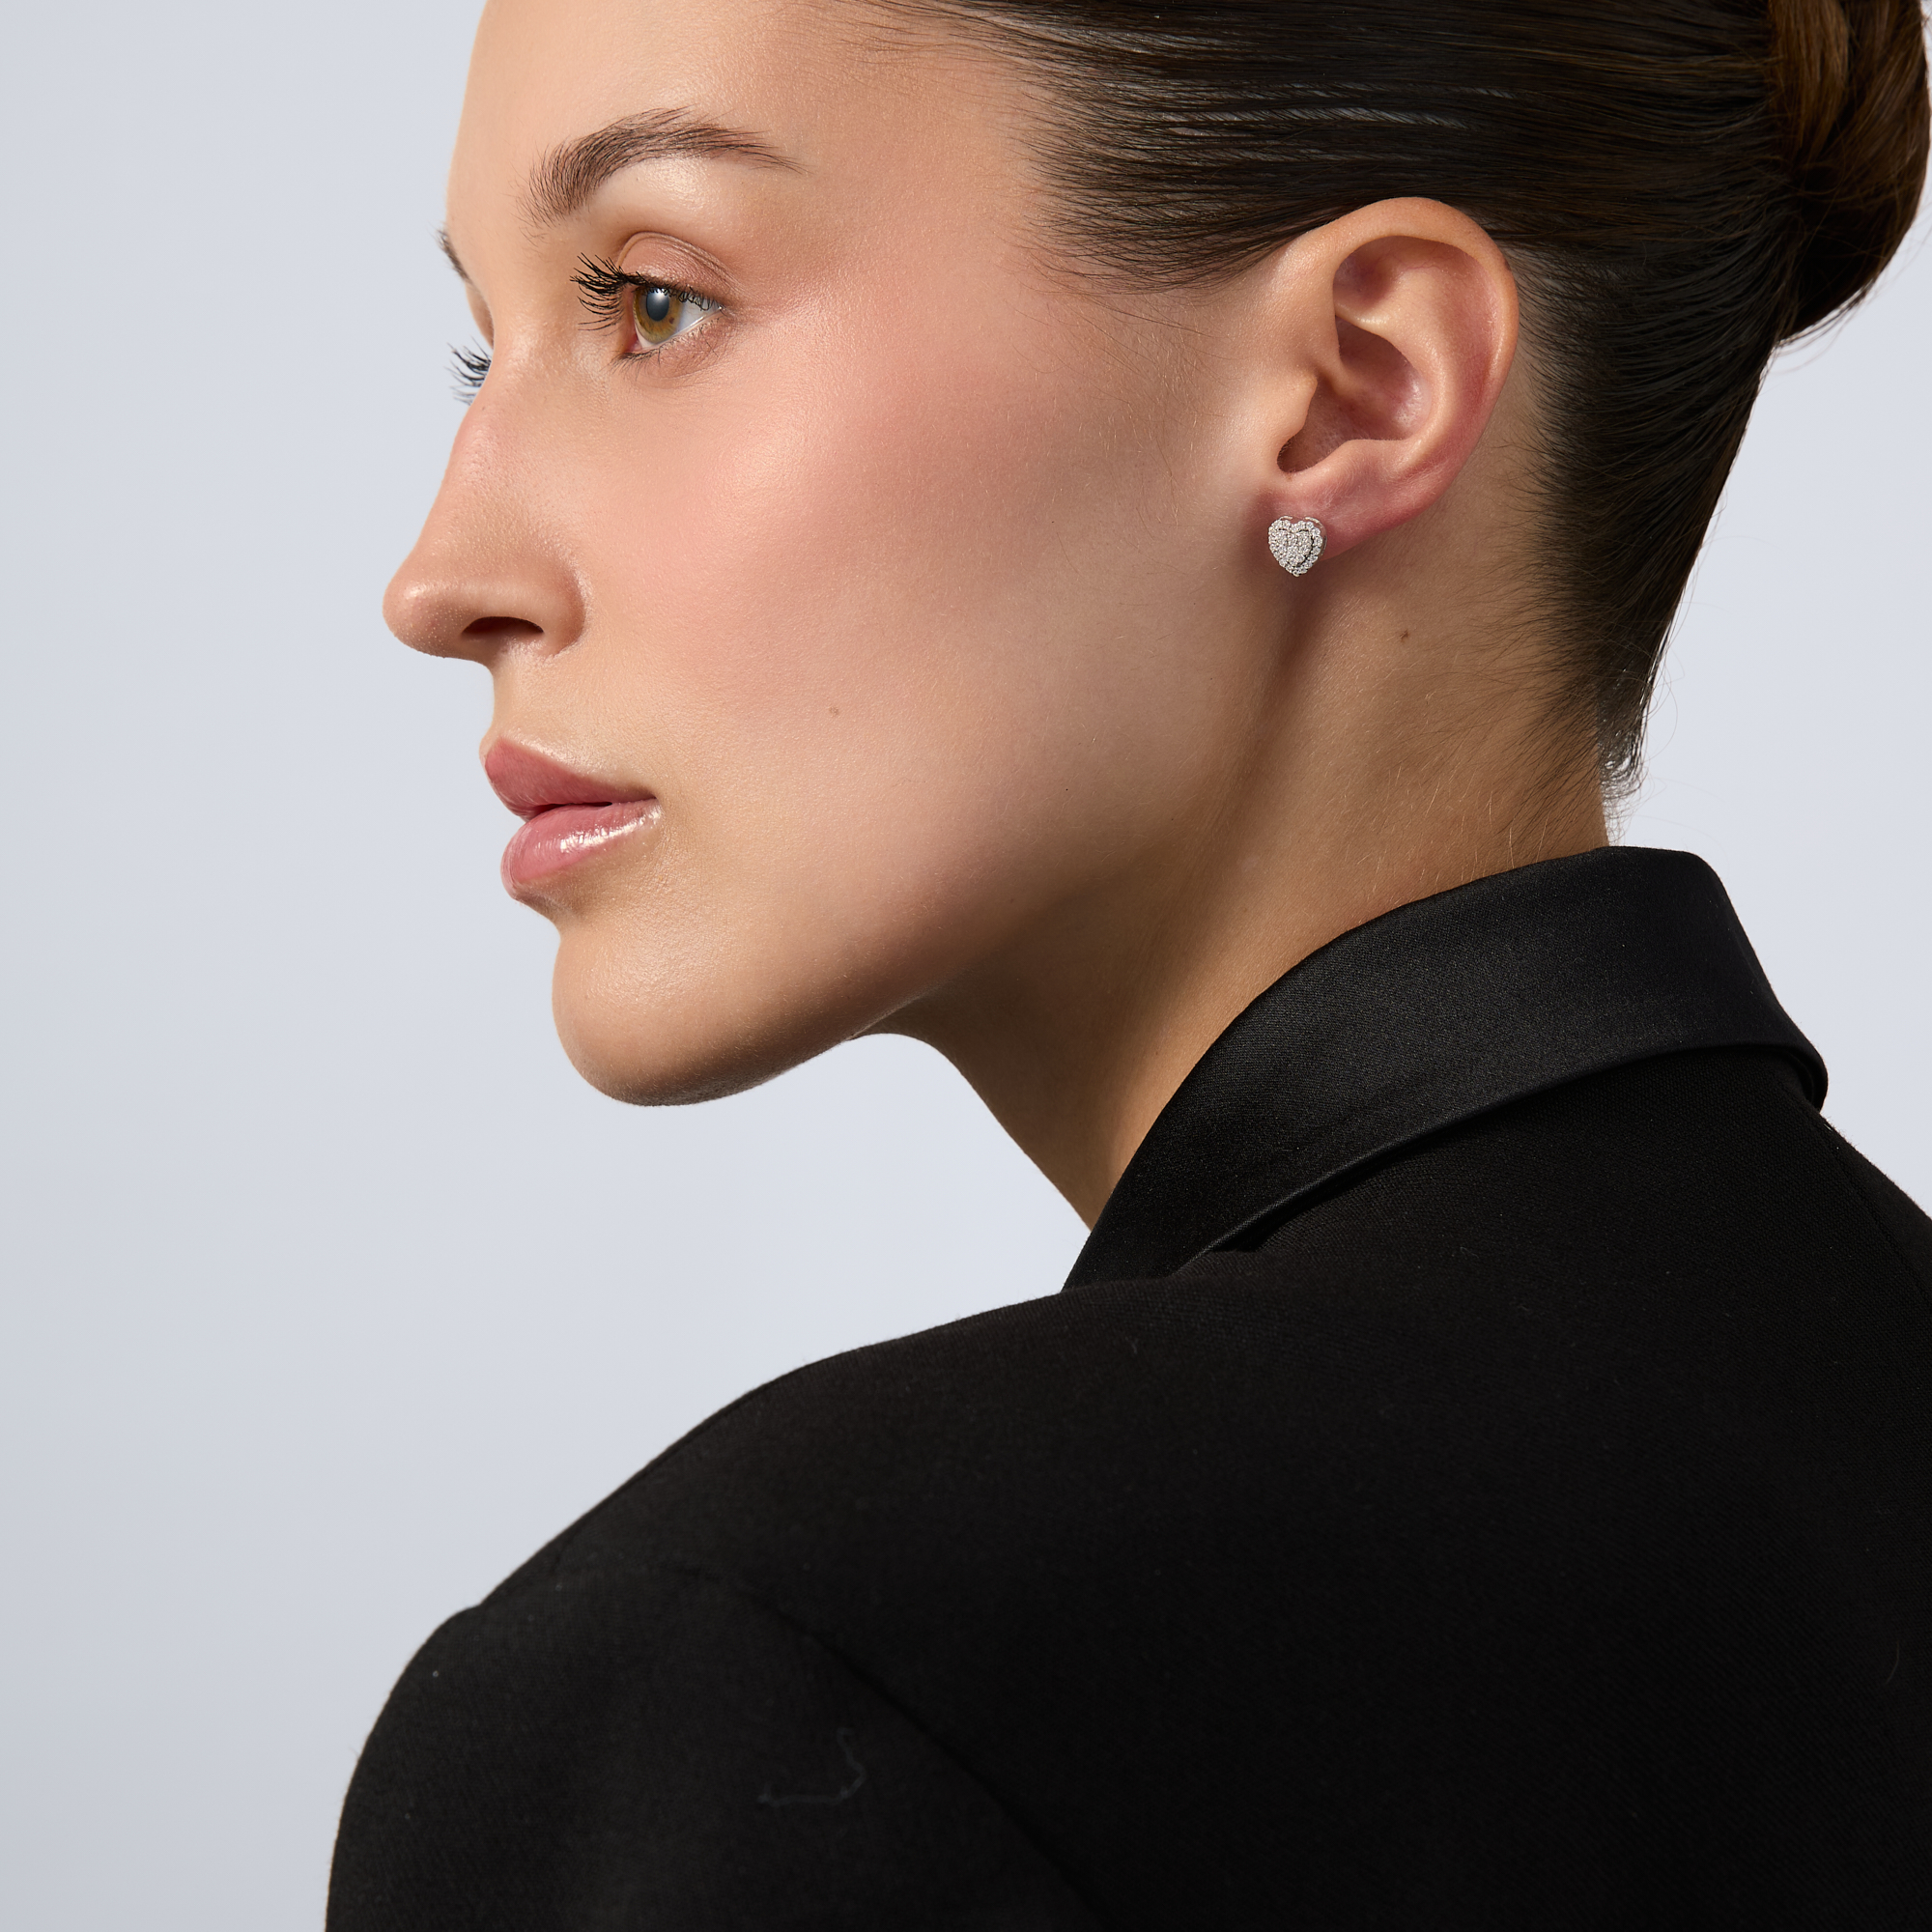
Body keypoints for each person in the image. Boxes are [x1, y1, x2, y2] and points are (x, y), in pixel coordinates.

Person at [327, 0, 1932, 1921]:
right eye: (481, 347)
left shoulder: (792, 1680)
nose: (440, 579)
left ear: (1355, 387)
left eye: (653, 302)